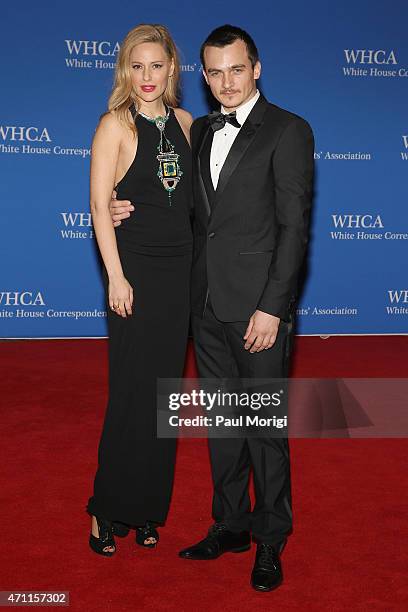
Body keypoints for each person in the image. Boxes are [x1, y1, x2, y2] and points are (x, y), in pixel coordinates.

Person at [110, 24, 314, 592]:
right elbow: (164, 194)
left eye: (237, 69)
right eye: (215, 71)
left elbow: (294, 228)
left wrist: (273, 307)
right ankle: (230, 525)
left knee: (263, 428)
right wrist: (113, 202)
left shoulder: (289, 130)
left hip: (258, 311)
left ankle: (271, 538)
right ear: (202, 75)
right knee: (224, 426)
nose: (226, 82)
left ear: (257, 68)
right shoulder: (195, 130)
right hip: (202, 303)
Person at [86, 23, 193, 556]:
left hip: (180, 276)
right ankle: (107, 510)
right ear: (125, 70)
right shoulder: (114, 125)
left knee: (163, 400)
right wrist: (117, 276)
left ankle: (148, 508)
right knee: (131, 394)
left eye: (156, 65)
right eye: (137, 66)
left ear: (171, 69)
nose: (147, 76)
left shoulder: (187, 123)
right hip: (137, 275)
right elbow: (99, 207)